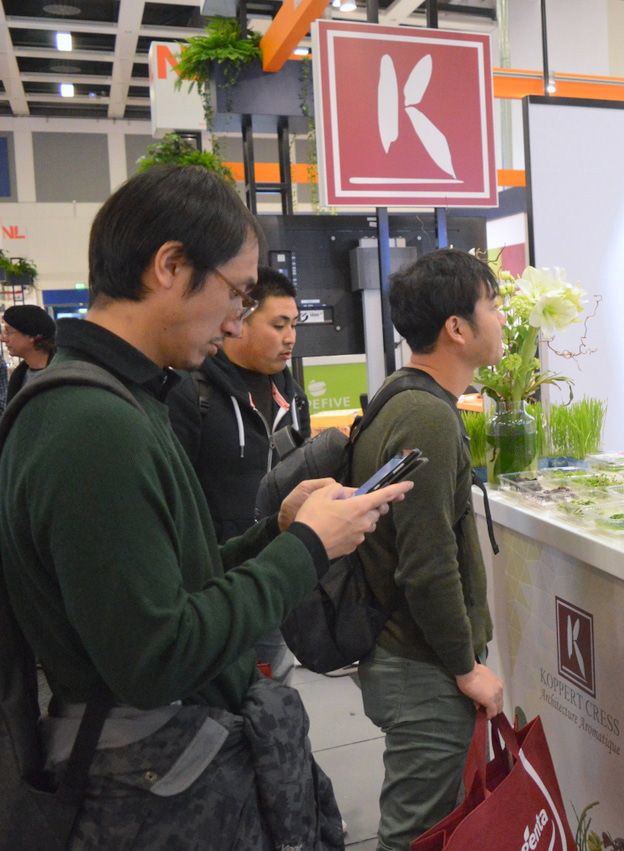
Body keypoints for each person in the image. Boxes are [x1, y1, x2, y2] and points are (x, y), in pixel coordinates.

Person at [0, 165, 412, 847]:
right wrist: (307, 548)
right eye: (238, 294)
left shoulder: (119, 400)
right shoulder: (92, 424)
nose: (234, 321)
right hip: (147, 787)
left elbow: (172, 583)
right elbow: (159, 654)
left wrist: (278, 531)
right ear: (170, 265)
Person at [353, 248, 505, 850]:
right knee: (417, 833)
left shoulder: (404, 395)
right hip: (422, 667)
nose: (502, 319)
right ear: (457, 328)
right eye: (492, 305)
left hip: (409, 659)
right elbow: (428, 563)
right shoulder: (427, 417)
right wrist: (466, 669)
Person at [168, 266, 309, 679]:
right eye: (278, 325)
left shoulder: (293, 397)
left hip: (278, 575)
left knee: (275, 694)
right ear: (240, 320)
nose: (290, 338)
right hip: (216, 586)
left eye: (294, 325)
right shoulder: (192, 392)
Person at [2, 303, 57, 399]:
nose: (3, 339)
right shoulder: (19, 376)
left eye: (8, 332)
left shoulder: (61, 375)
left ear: (32, 335)